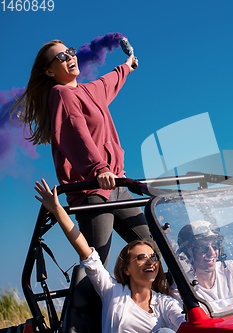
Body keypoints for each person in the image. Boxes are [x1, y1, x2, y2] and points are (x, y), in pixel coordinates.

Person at [12, 39, 154, 267]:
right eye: (60, 57)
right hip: (92, 191)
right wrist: (98, 168)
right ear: (49, 71)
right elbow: (75, 132)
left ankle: (144, 300)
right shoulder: (61, 95)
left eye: (69, 52)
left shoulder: (89, 90)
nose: (69, 57)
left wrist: (127, 66)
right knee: (96, 263)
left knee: (151, 249)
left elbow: (109, 81)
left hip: (117, 184)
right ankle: (85, 303)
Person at [35, 179, 185, 333]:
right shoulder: (112, 290)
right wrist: (57, 210)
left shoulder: (165, 303)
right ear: (126, 269)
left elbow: (185, 322)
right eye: (141, 257)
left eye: (153, 257)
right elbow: (86, 251)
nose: (150, 262)